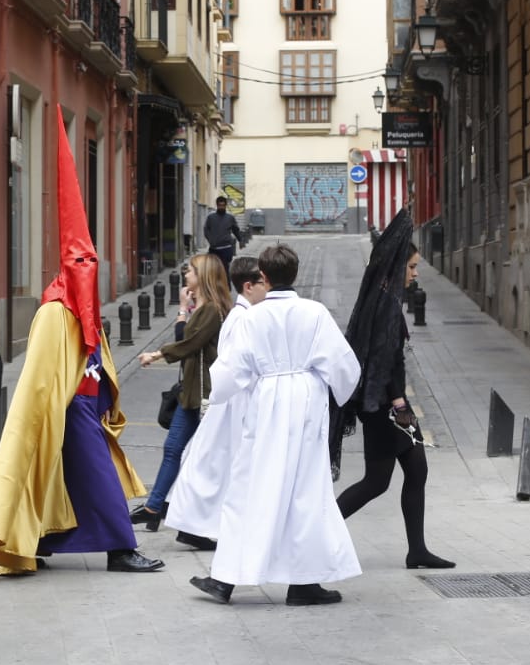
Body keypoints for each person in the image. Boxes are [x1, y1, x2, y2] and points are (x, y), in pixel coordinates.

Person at [0, 109, 162, 576]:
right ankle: (120, 549)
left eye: (91, 261)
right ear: (65, 267)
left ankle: (37, 543)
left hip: (85, 408)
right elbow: (40, 380)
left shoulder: (83, 311)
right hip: (66, 410)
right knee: (94, 479)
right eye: (80, 261)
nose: (88, 270)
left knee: (67, 481)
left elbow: (96, 356)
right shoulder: (55, 311)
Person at [188, 243, 362, 606]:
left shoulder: (253, 317)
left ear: (262, 277)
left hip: (266, 403)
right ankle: (304, 582)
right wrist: (339, 395)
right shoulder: (314, 312)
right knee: (306, 492)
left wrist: (217, 396)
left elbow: (230, 371)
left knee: (250, 486)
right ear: (294, 274)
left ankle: (226, 579)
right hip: (306, 402)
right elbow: (343, 365)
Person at [334, 209, 456, 570]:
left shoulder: (384, 299)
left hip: (386, 405)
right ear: (398, 265)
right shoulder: (386, 303)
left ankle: (417, 550)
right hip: (385, 407)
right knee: (376, 482)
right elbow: (382, 357)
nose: (416, 273)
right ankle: (317, 530)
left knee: (415, 471)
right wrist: (399, 403)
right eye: (413, 266)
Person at [163, 255, 266, 546]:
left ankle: (190, 522)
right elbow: (233, 362)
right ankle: (195, 523)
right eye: (262, 283)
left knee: (208, 463)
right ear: (248, 286)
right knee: (216, 465)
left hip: (225, 398)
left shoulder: (237, 314)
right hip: (230, 399)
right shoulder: (241, 317)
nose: (266, 289)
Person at [133, 253, 231, 546]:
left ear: (202, 275)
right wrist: (185, 308)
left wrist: (156, 353)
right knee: (173, 448)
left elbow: (188, 342)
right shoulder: (201, 306)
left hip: (204, 394)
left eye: (189, 270)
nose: (185, 274)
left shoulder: (213, 310)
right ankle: (154, 506)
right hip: (189, 392)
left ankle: (188, 519)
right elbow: (185, 338)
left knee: (199, 458)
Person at [203, 196, 241, 278]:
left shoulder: (230, 218)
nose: (221, 207)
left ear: (226, 205)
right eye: (220, 205)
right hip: (214, 248)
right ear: (217, 205)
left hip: (226, 248)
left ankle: (227, 287)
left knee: (225, 269)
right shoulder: (211, 217)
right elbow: (206, 230)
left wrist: (240, 239)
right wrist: (211, 240)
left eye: (223, 205)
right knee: (213, 270)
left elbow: (235, 229)